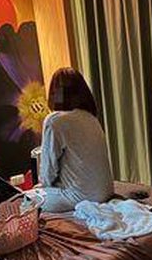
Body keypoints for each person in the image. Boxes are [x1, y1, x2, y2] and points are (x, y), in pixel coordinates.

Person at [38, 68, 113, 212]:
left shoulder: (54, 121)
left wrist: (42, 187)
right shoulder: (91, 118)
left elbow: (48, 172)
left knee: (27, 198)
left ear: (55, 93)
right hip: (106, 192)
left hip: (81, 197)